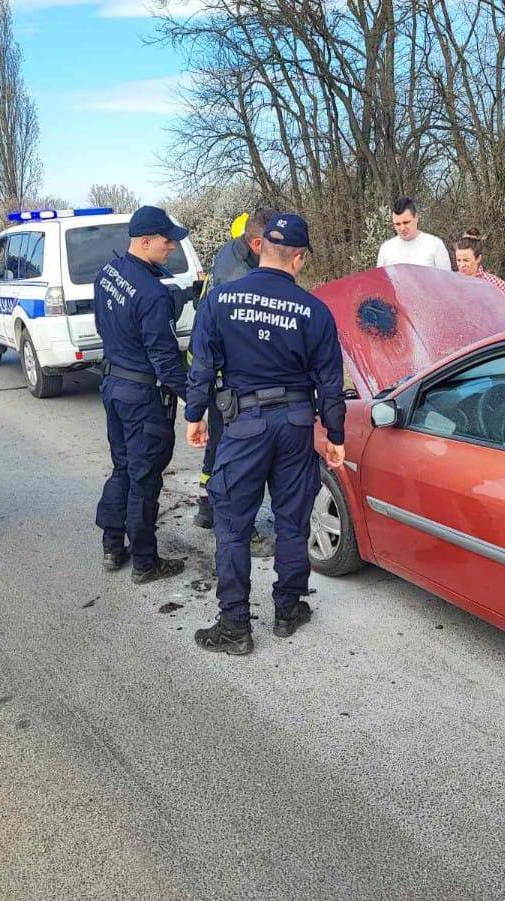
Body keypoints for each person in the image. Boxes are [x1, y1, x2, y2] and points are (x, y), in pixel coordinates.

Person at [185, 213, 346, 655]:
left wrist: (194, 415)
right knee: (293, 523)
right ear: (297, 258)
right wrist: (335, 435)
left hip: (244, 425)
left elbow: (202, 365)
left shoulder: (219, 300)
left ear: (260, 250)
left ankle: (235, 624)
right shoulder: (315, 311)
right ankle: (288, 609)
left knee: (233, 527)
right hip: (295, 424)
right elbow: (330, 383)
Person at [94, 205, 190, 584]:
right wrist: (196, 401)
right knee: (144, 477)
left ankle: (112, 545)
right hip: (142, 396)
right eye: (167, 241)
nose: (172, 248)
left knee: (123, 467)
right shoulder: (150, 292)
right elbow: (166, 361)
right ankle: (146, 562)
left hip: (113, 384)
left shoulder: (107, 273)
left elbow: (108, 324)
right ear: (145, 241)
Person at [193, 208, 278, 563]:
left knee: (220, 442)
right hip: (224, 373)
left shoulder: (230, 249)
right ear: (257, 243)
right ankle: (243, 530)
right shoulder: (239, 279)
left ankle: (207, 505)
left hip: (208, 365)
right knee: (238, 453)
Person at [453, 228, 505, 313]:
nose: (462, 265)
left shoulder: (490, 281)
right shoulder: (451, 280)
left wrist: (497, 311)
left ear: (478, 259)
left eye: (466, 260)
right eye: (458, 260)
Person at [376, 197, 452, 270]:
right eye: (397, 224)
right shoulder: (386, 249)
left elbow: (447, 281)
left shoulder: (435, 245)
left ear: (416, 218)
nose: (402, 228)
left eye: (406, 222)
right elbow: (379, 281)